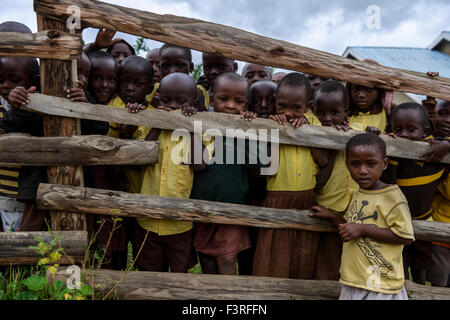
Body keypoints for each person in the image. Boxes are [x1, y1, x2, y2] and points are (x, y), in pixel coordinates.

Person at [310, 133, 414, 300]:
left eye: (371, 164)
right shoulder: (359, 192)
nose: (363, 171)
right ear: (347, 165)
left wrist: (364, 229)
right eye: (355, 164)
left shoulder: (393, 197)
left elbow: (404, 236)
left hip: (381, 283)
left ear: (384, 164)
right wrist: (333, 217)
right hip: (355, 279)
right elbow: (353, 226)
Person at [252, 72, 329, 279]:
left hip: (307, 197)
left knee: (302, 251)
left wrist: (307, 133)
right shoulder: (271, 123)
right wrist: (274, 129)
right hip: (276, 197)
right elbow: (265, 164)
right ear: (275, 103)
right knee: (274, 253)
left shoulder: (314, 123)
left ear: (308, 105)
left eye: (296, 108)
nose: (288, 113)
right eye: (282, 106)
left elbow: (323, 160)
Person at [188, 72, 264, 275]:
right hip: (202, 208)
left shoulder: (245, 130)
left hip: (232, 209)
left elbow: (256, 164)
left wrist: (240, 130)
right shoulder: (202, 124)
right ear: (212, 100)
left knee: (228, 259)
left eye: (238, 101)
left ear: (245, 106)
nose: (231, 106)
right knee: (206, 260)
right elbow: (196, 162)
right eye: (223, 99)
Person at [131, 72, 207, 273]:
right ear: (157, 100)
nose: (172, 106)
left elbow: (200, 164)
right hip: (147, 218)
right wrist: (158, 124)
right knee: (150, 272)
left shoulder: (201, 129)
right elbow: (138, 160)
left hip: (180, 223)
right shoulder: (148, 123)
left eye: (181, 102)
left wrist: (189, 127)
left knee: (179, 274)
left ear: (194, 103)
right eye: (166, 100)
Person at [381, 102, 448, 284]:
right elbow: (388, 184)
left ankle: (419, 292)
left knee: (421, 265)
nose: (404, 135)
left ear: (425, 131)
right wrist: (392, 151)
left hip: (424, 221)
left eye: (411, 129)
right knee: (399, 264)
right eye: (398, 129)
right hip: (396, 221)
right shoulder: (395, 155)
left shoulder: (437, 154)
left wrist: (447, 144)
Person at [311, 80, 357, 280]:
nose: (327, 119)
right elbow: (319, 179)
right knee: (328, 266)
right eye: (321, 113)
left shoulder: (355, 131)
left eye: (334, 113)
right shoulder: (311, 135)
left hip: (356, 211)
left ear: (345, 111)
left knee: (355, 265)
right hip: (327, 209)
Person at [237, 79, 277, 275]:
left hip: (275, 199)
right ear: (248, 104)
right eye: (257, 100)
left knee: (270, 250)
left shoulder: (285, 126)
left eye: (270, 100)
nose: (263, 106)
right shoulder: (245, 124)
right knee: (247, 251)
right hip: (249, 198)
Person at [427, 99, 450, 287]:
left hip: (444, 227)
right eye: (442, 113)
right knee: (437, 284)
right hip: (436, 231)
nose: (446, 120)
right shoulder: (429, 141)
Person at [147, 43, 209, 110]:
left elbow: (200, 119)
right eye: (166, 66)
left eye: (180, 65)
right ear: (160, 68)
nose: (172, 71)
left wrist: (198, 109)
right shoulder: (152, 89)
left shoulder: (198, 91)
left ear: (191, 67)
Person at [347, 59, 393, 134]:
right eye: (356, 89)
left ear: (380, 91)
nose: (361, 95)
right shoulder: (344, 111)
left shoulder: (389, 112)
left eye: (369, 89)